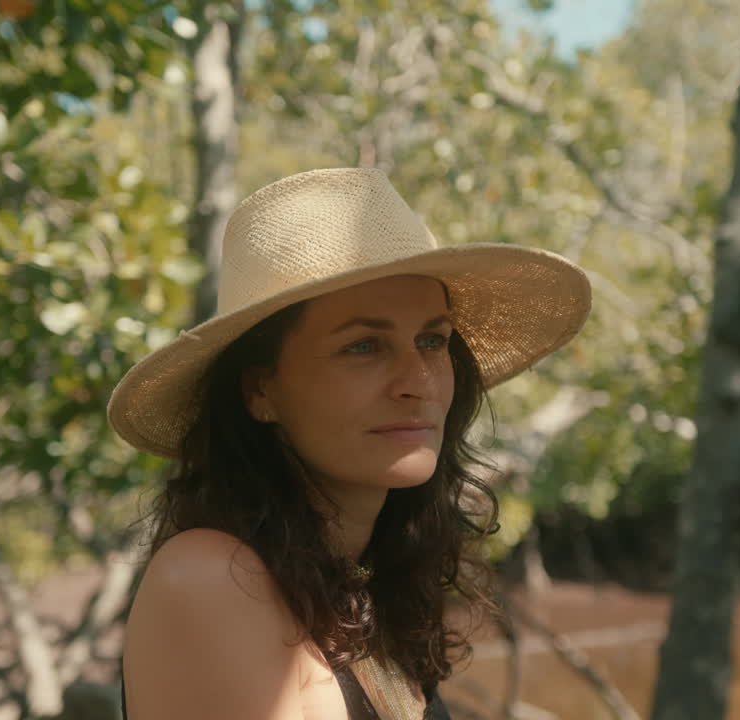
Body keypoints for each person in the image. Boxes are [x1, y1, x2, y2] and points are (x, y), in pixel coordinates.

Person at [108, 168, 590, 719]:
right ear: (260, 388)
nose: (420, 380)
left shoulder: (358, 588)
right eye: (364, 346)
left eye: (432, 340)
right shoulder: (213, 577)